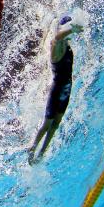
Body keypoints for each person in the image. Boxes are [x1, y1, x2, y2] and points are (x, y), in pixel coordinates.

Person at [28, 15, 83, 164]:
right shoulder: (55, 46)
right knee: (47, 124)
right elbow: (57, 37)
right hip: (57, 90)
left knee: (56, 124)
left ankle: (41, 153)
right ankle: (32, 148)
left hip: (67, 89)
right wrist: (72, 29)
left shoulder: (67, 44)